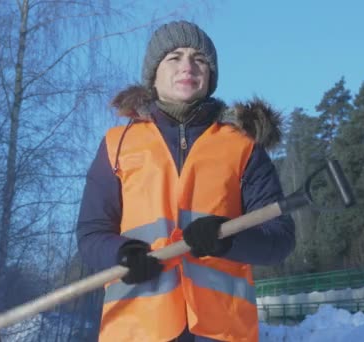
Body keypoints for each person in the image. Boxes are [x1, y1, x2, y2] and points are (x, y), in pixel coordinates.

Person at [76, 20, 295, 342]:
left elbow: (279, 240)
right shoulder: (117, 144)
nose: (188, 66)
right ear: (154, 73)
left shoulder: (243, 146)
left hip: (222, 329)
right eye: (174, 57)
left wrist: (227, 239)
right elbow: (92, 234)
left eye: (200, 59)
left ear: (211, 74)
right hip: (136, 329)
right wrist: (121, 254)